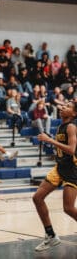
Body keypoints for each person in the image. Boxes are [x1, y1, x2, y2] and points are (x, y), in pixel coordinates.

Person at [33, 101, 77, 252]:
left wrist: (50, 140)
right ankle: (51, 235)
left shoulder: (71, 127)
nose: (63, 107)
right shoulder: (61, 126)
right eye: (63, 105)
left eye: (68, 107)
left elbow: (71, 150)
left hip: (72, 170)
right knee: (37, 198)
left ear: (74, 114)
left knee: (68, 208)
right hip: (59, 168)